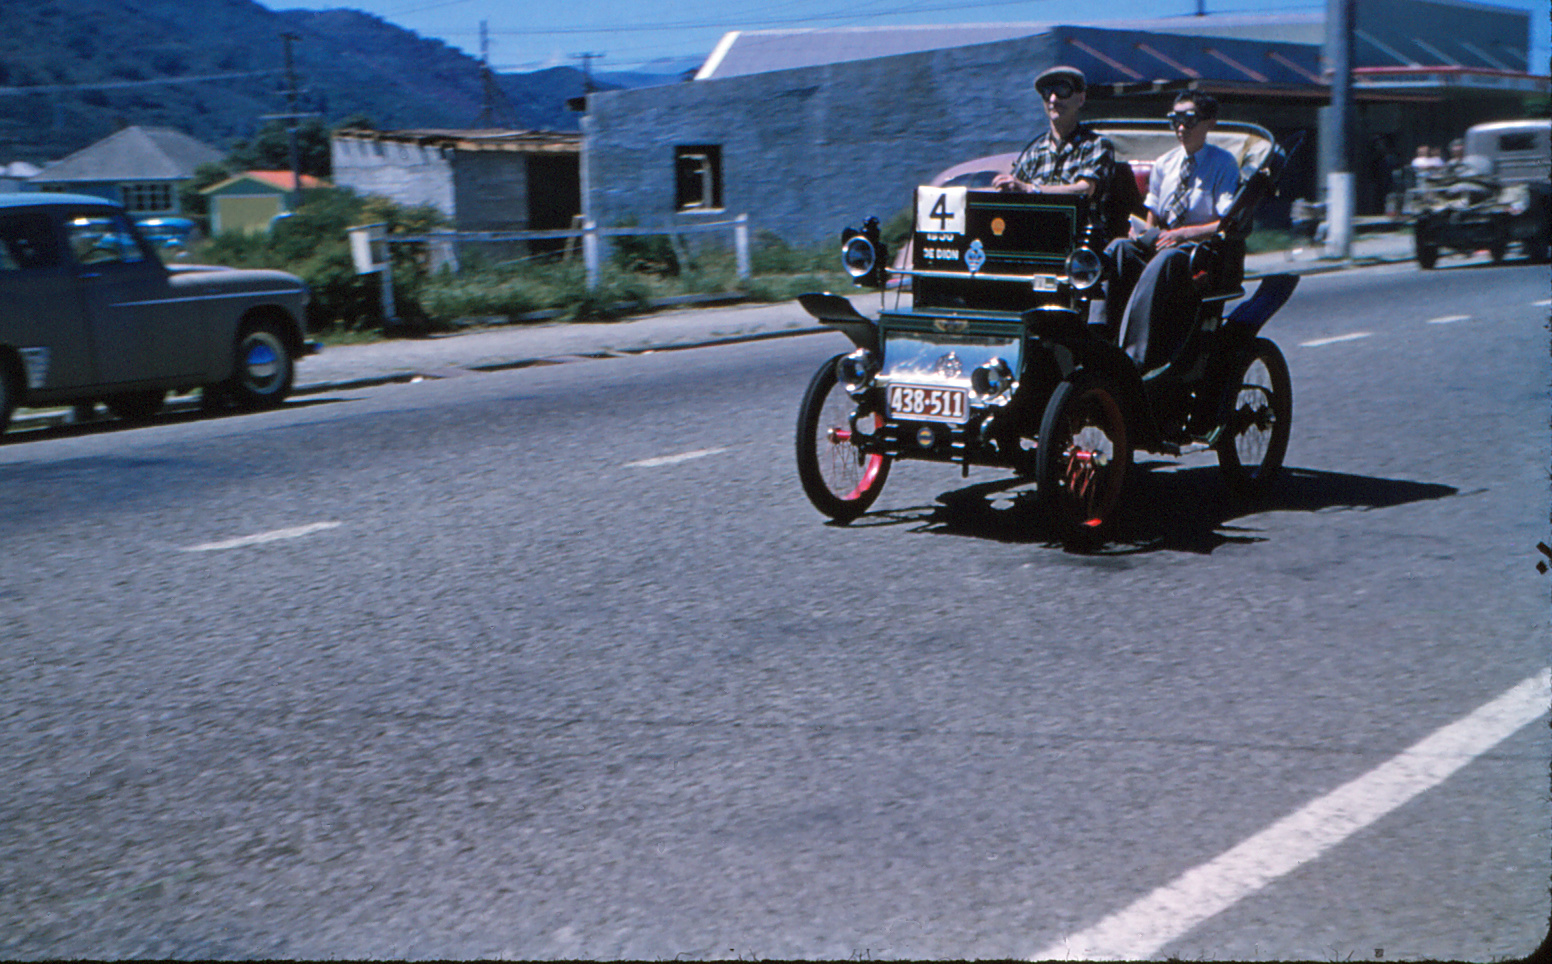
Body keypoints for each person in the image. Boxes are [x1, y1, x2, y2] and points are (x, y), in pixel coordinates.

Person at [1096, 92, 1240, 369]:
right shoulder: (1164, 164)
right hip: (1163, 240)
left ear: (1209, 123)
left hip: (1196, 250)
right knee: (1117, 249)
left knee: (1164, 260)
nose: (1181, 128)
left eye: (1189, 120)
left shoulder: (1223, 163)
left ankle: (1134, 357)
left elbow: (1226, 222)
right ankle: (1097, 334)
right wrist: (1142, 232)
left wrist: (1182, 234)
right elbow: (1153, 212)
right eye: (1175, 120)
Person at [991, 65, 1115, 232]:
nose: (1053, 99)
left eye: (1063, 90)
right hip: (1035, 237)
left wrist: (1030, 189)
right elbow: (1014, 195)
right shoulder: (1034, 153)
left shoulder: (1096, 145)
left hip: (1080, 237)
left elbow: (1084, 190)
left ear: (1081, 99)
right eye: (1047, 92)